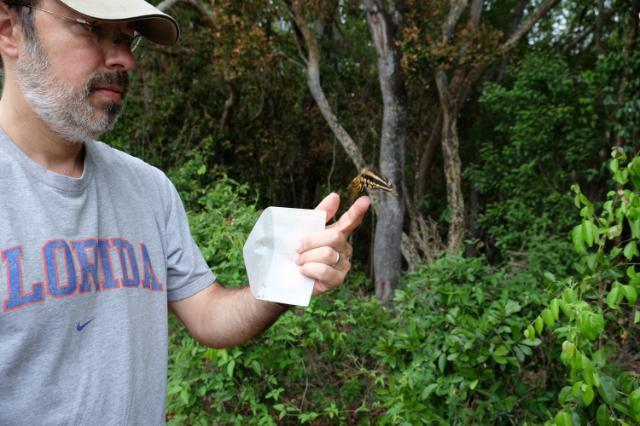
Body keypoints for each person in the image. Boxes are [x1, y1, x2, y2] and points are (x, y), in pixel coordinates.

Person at [0, 0, 371, 423]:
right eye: (93, 28)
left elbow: (209, 316)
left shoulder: (147, 187)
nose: (125, 58)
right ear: (10, 29)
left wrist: (291, 273)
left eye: (125, 37)